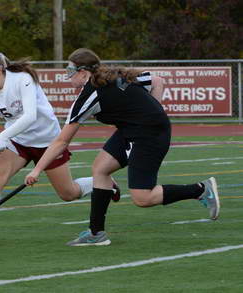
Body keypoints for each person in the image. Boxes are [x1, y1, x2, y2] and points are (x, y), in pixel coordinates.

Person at [25, 48, 220, 246]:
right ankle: (96, 233)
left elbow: (61, 141)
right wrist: (153, 110)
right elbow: (158, 81)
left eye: (70, 72)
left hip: (149, 134)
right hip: (134, 129)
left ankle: (201, 190)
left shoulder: (91, 95)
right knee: (100, 169)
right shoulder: (111, 76)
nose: (67, 77)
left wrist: (37, 169)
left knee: (143, 197)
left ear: (83, 73)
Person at [0, 49, 120, 245]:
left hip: (48, 142)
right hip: (17, 141)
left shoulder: (22, 79)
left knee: (68, 193)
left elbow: (30, 116)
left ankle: (106, 184)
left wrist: (3, 136)